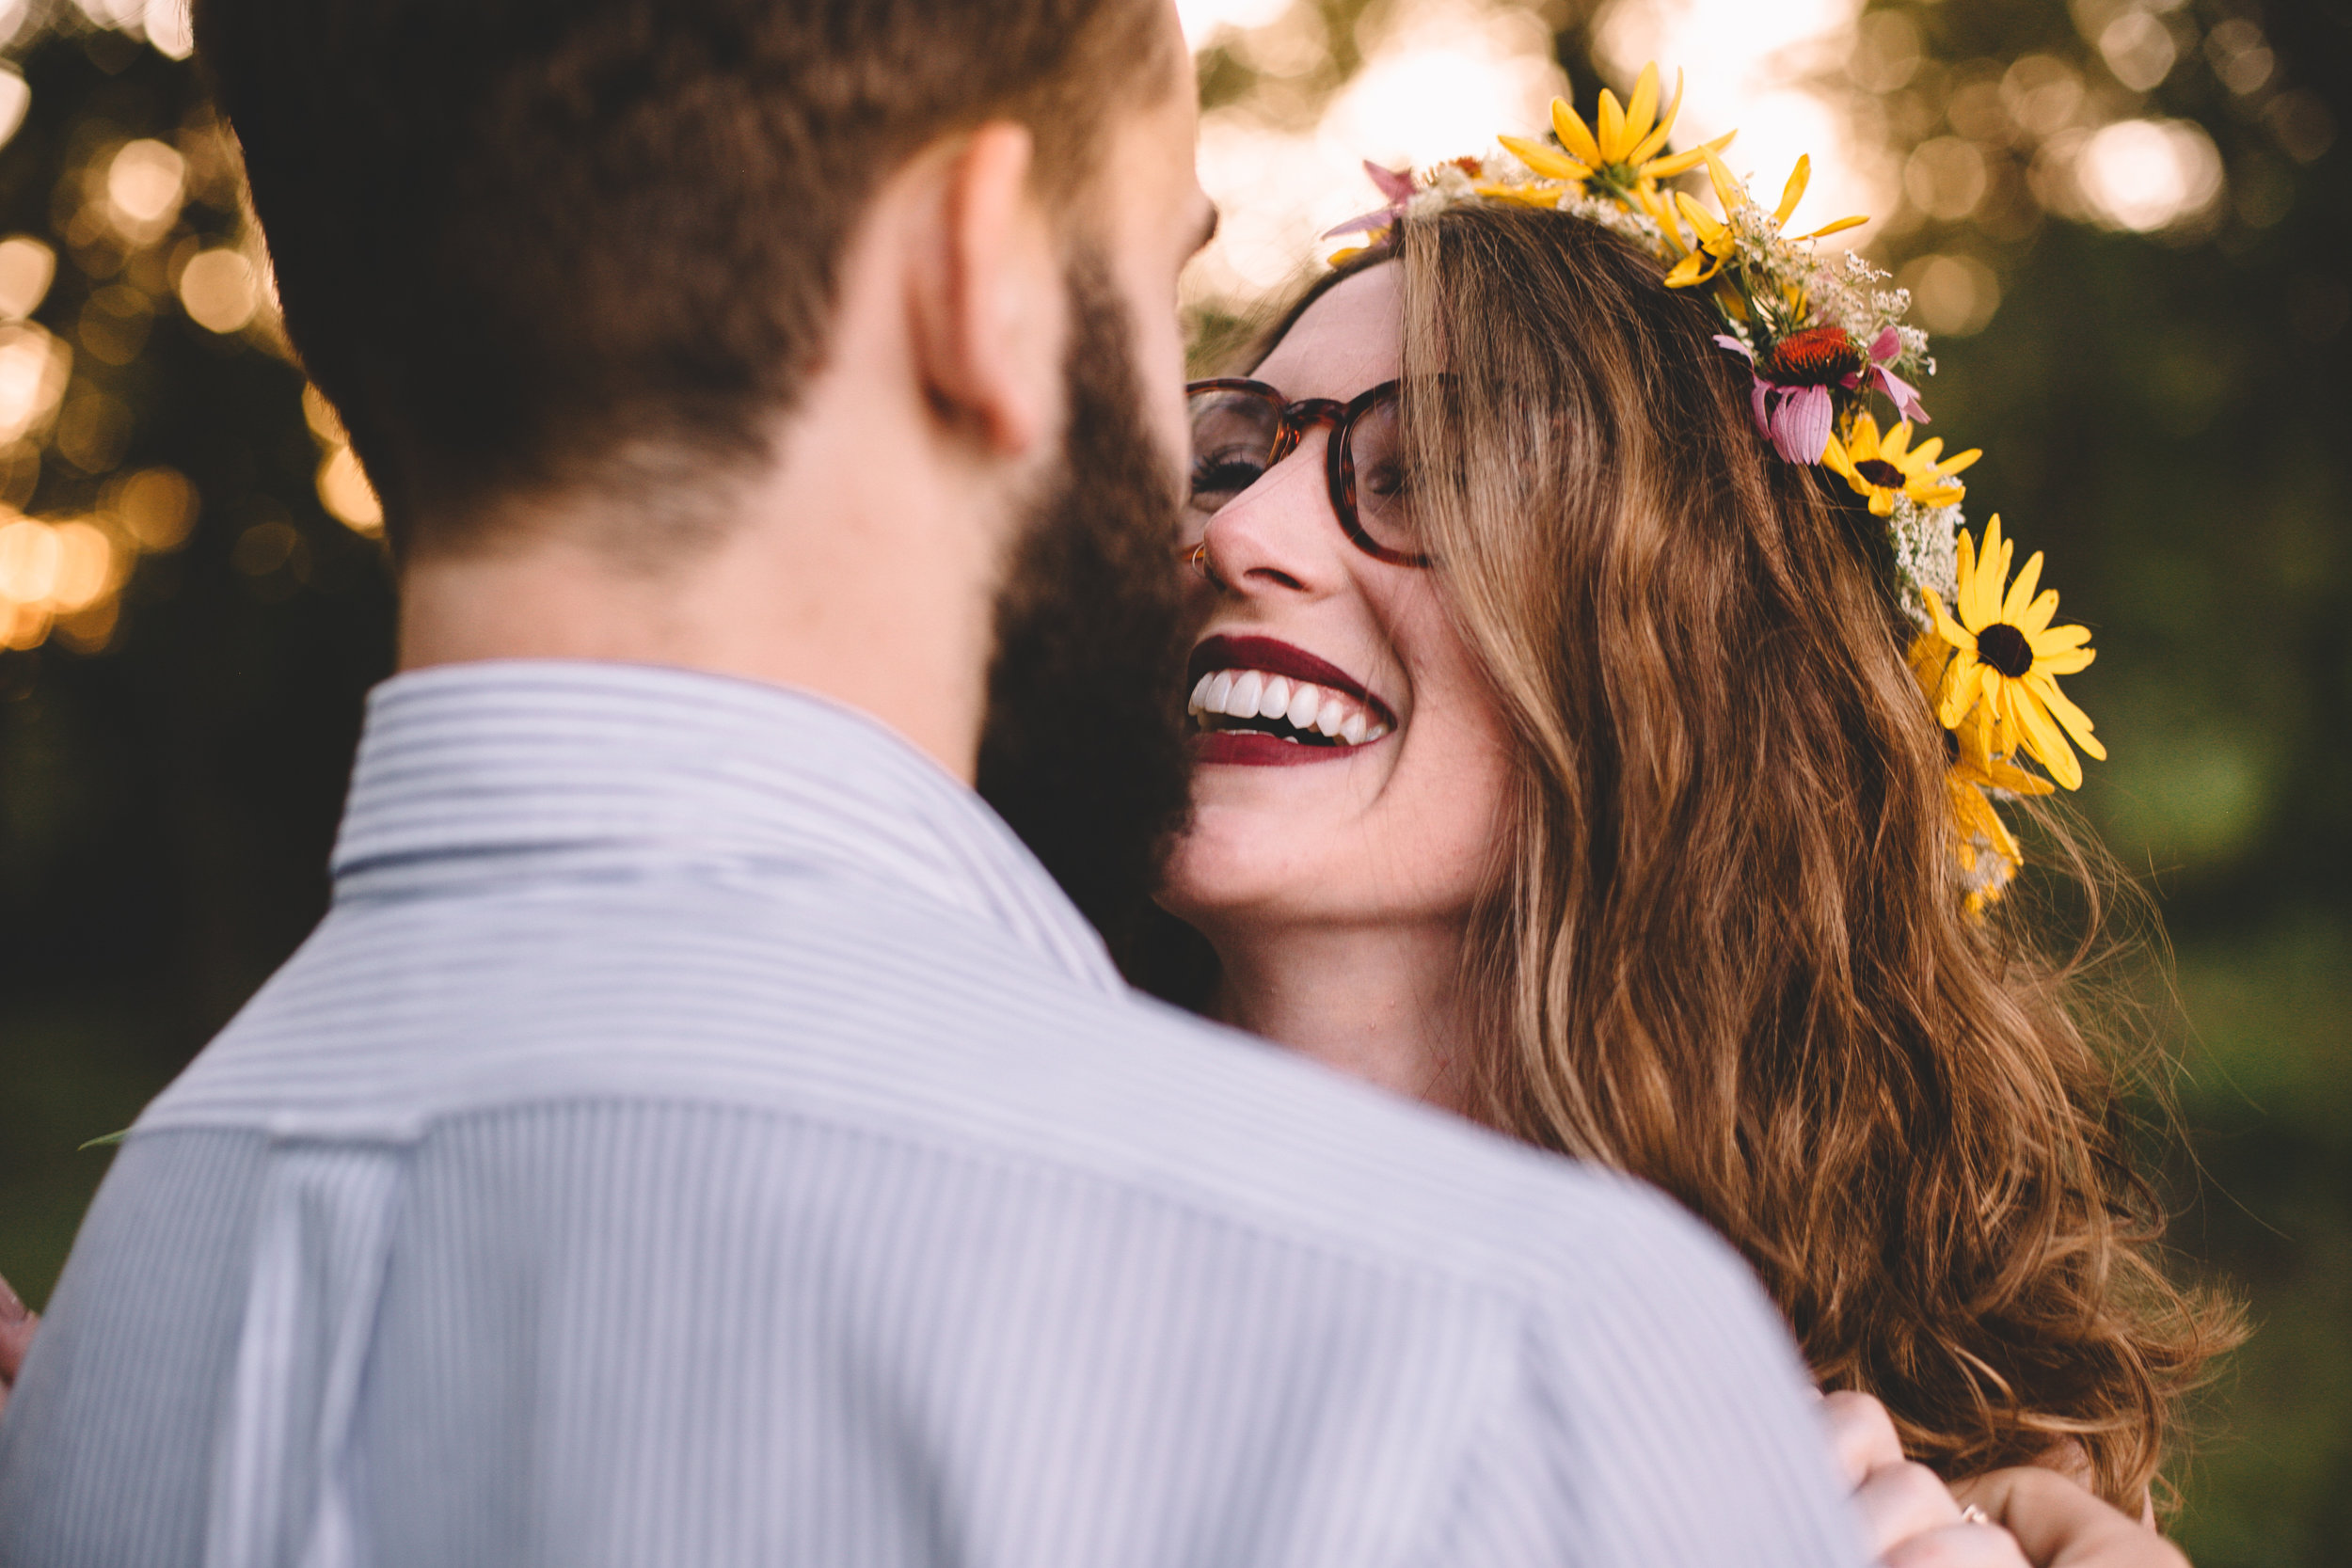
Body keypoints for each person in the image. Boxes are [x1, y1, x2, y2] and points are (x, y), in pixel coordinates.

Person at [0, 4, 1912, 1564]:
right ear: (981, 275)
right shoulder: (1494, 1362)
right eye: (1180, 337)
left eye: (1422, 471)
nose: (1223, 516)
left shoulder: (144, 1284)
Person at [1147, 97, 2235, 1554]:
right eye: (1232, 454)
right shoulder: (928, 1198)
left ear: (1685, 654)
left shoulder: (1950, 1458)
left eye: (1423, 473)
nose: (1239, 530)